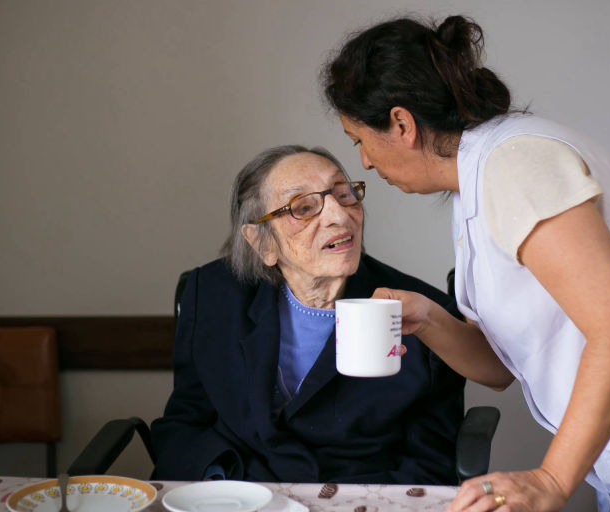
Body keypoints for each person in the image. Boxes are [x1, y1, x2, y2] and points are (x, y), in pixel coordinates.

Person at [322, 14, 610, 512]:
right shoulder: (479, 184)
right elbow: (502, 368)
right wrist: (427, 319)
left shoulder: (513, 164)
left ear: (401, 124)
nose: (366, 163)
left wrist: (551, 479)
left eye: (359, 139)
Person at [150, 144, 470, 485]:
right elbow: (185, 420)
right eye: (303, 207)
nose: (339, 215)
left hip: (360, 503)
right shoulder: (214, 294)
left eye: (344, 195)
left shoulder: (422, 314)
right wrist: (220, 483)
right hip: (240, 494)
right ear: (262, 243)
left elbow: (432, 459)